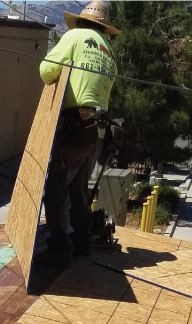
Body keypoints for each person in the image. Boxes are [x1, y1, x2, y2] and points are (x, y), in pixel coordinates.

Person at [37, 0, 120, 266]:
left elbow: (46, 71)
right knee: (78, 190)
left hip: (75, 126)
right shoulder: (108, 51)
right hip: (97, 130)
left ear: (82, 21)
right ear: (104, 28)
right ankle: (81, 244)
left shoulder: (74, 36)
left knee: (55, 188)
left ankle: (60, 249)